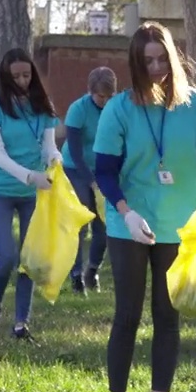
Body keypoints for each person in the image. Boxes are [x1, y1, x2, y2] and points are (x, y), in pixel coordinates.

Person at [94, 22, 196, 392]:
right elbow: (105, 171)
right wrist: (126, 212)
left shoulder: (193, 103)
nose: (156, 67)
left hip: (176, 223)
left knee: (167, 314)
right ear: (135, 62)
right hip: (129, 221)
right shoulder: (119, 108)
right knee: (127, 313)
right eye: (147, 60)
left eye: (162, 58)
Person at [0, 47, 61, 341]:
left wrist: (54, 161)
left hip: (33, 192)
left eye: (27, 75)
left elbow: (48, 146)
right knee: (7, 257)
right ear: (5, 76)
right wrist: (30, 176)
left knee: (28, 257)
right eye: (16, 76)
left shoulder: (42, 105)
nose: (22, 80)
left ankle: (21, 323)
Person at [60, 67, 117, 294]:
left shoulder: (116, 108)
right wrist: (92, 183)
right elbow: (75, 152)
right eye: (100, 96)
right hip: (76, 169)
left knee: (103, 223)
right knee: (82, 219)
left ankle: (92, 270)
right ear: (90, 91)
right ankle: (76, 275)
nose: (104, 101)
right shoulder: (78, 110)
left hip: (103, 168)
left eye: (108, 96)